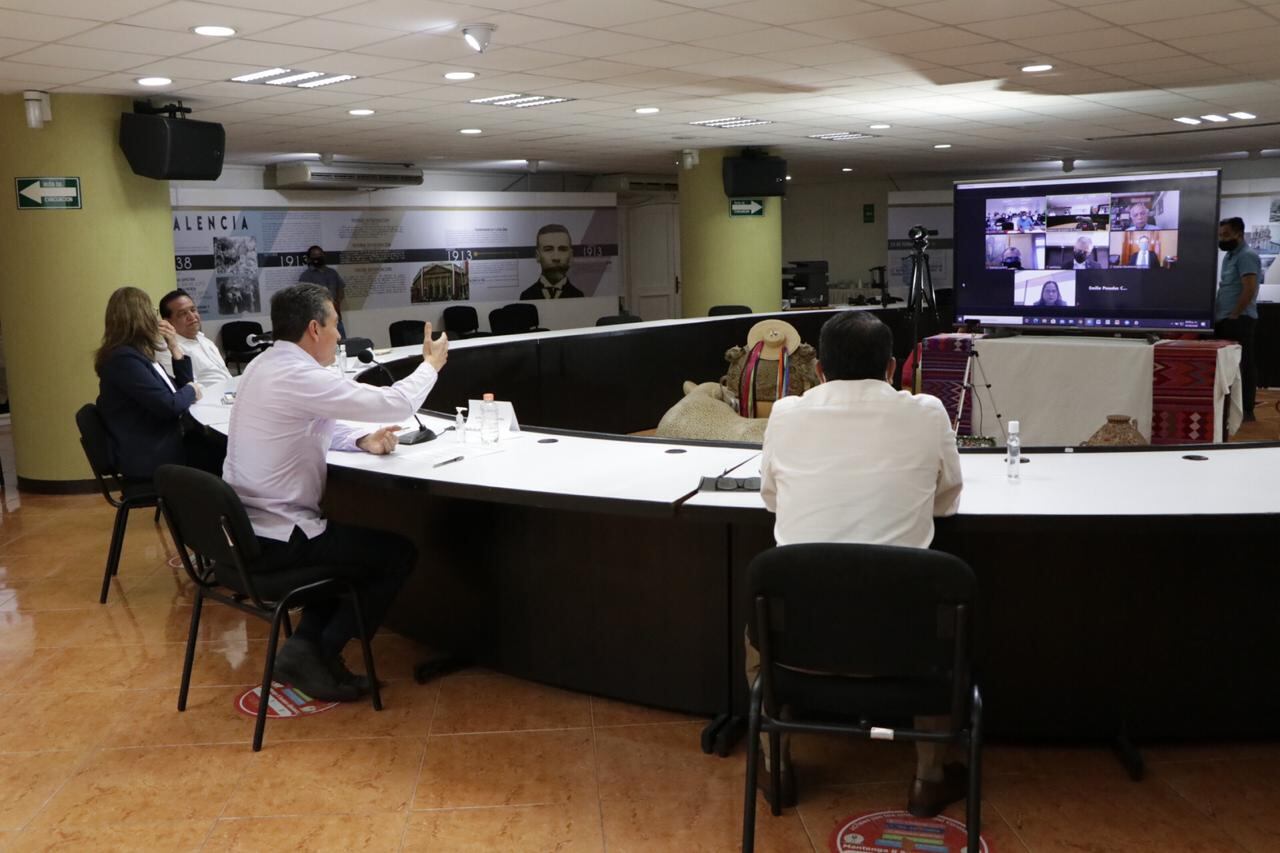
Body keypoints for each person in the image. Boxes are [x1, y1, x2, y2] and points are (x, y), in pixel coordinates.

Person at [751, 311, 964, 817]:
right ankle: (928, 778)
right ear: (892, 368)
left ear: (819, 371)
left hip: (799, 642)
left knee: (758, 635)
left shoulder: (785, 414)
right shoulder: (930, 412)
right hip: (906, 642)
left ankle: (774, 768)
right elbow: (947, 502)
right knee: (940, 626)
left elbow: (771, 501)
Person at [222, 283, 449, 701]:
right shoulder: (298, 374)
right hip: (277, 536)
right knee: (395, 554)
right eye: (335, 325)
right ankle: (322, 653)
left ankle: (306, 649)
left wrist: (361, 441)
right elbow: (395, 403)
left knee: (346, 551)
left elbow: (317, 421)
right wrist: (430, 366)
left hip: (247, 529)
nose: (340, 336)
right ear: (313, 328)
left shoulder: (264, 365)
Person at [94, 286, 206, 480]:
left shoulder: (137, 354)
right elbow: (170, 406)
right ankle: (203, 509)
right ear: (141, 317)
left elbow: (177, 389)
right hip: (151, 452)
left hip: (157, 439)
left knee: (210, 446)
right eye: (153, 312)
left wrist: (174, 346)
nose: (156, 319)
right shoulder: (124, 360)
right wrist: (191, 389)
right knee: (218, 453)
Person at [1215, 216, 1261, 421]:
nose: (1222, 239)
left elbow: (1249, 288)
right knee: (1228, 367)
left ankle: (1247, 411)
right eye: (1220, 235)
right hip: (1225, 318)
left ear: (1239, 234)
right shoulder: (1230, 255)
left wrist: (1235, 314)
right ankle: (1229, 409)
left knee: (1244, 366)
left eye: (1226, 235)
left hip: (1239, 319)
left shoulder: (1247, 255)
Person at [156, 289, 233, 386]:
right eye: (183, 314)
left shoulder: (205, 341)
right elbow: (190, 389)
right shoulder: (167, 350)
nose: (192, 317)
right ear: (168, 322)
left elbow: (225, 374)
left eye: (193, 310)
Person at [519, 224, 585, 299]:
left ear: (571, 256)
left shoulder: (578, 296)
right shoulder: (526, 296)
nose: (556, 257)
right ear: (537, 256)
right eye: (548, 249)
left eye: (562, 249)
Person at [297, 245, 348, 337]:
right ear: (309, 258)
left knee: (342, 342)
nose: (317, 257)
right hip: (318, 319)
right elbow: (303, 298)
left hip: (335, 315)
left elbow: (341, 288)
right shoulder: (305, 276)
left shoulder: (332, 272)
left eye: (319, 254)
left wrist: (337, 303)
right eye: (314, 255)